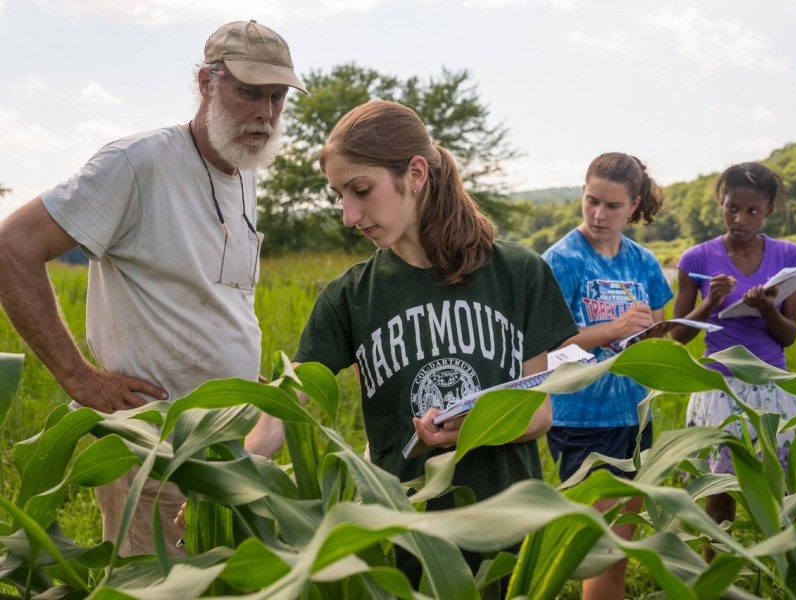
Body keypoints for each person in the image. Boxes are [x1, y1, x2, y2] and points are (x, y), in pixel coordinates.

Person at [0, 19, 306, 556]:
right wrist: (80, 378)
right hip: (154, 450)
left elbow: (210, 289)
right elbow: (11, 247)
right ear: (206, 83)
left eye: (277, 97)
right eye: (249, 93)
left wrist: (235, 373)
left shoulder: (244, 169)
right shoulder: (138, 164)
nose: (265, 112)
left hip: (227, 447)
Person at [245, 99, 577, 583]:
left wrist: (472, 430)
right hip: (403, 545)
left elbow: (538, 411)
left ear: (416, 173)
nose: (348, 214)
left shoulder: (519, 272)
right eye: (339, 194)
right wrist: (232, 478)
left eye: (361, 189)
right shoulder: (349, 297)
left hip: (506, 534)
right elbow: (283, 408)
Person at [542, 152, 672, 600]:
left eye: (612, 206)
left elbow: (658, 334)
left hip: (633, 416)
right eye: (591, 200)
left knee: (621, 541)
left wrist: (658, 337)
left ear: (634, 205)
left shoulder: (645, 264)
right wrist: (611, 331)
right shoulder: (561, 261)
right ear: (582, 192)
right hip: (579, 418)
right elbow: (548, 347)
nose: (598, 214)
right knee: (598, 544)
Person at [671, 162, 796, 560]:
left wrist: (766, 308)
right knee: (719, 496)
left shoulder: (789, 256)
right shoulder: (697, 258)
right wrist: (710, 302)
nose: (739, 219)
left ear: (769, 211)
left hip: (773, 390)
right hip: (720, 390)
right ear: (721, 205)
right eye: (731, 208)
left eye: (751, 211)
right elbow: (678, 335)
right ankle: (716, 578)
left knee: (781, 494)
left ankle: (779, 570)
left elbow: (789, 335)